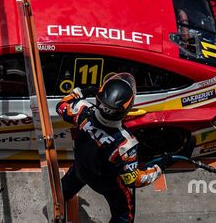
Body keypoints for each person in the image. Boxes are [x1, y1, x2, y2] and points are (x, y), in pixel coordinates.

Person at [57, 73, 170, 223]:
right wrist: (159, 168)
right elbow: (133, 180)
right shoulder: (126, 144)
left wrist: (83, 91)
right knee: (124, 215)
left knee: (66, 187)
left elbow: (62, 105)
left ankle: (59, 199)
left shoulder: (81, 110)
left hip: (80, 169)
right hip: (107, 184)